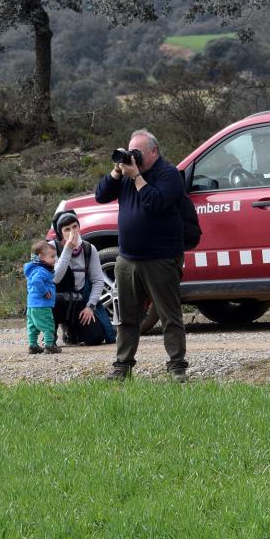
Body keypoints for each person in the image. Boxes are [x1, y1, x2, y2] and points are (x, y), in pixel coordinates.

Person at [95, 129, 187, 381]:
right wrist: (116, 172)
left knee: (169, 315)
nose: (132, 157)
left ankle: (177, 366)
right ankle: (122, 366)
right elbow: (100, 195)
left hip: (161, 258)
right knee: (127, 316)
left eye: (137, 153)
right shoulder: (124, 176)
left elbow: (155, 202)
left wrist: (136, 177)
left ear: (154, 152)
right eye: (130, 152)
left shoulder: (169, 174)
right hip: (127, 259)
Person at [50, 211, 115, 346]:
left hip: (79, 300)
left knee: (95, 337)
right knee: (56, 299)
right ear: (60, 232)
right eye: (67, 229)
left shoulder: (89, 249)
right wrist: (67, 249)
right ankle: (50, 334)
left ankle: (72, 331)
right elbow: (55, 278)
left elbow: (98, 280)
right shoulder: (52, 247)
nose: (72, 232)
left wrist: (90, 306)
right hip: (56, 299)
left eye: (75, 227)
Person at [25, 240, 61, 354]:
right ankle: (49, 345)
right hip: (42, 304)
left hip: (32, 304)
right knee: (49, 325)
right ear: (41, 257)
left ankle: (33, 345)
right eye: (52, 256)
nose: (55, 259)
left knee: (32, 326)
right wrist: (45, 292)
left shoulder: (33, 269)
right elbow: (36, 281)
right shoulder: (42, 270)